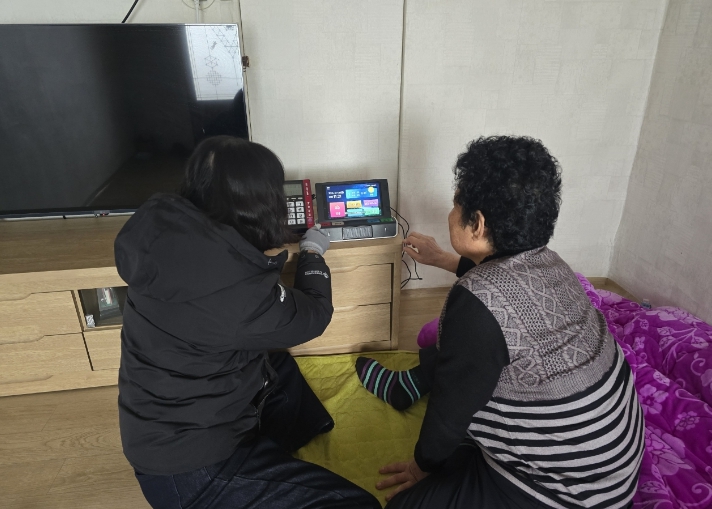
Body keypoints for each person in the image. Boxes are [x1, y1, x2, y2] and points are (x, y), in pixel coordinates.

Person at [356, 136, 644, 509]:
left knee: (403, 504)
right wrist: (441, 258)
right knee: (466, 348)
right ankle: (407, 387)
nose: (451, 212)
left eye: (456, 203)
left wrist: (421, 466)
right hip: (609, 459)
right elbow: (500, 287)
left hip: (571, 494)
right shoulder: (550, 262)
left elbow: (448, 414)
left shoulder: (475, 303)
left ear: (477, 224)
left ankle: (412, 393)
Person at [115, 135, 380, 509]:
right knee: (357, 504)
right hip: (191, 471)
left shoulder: (162, 240)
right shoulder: (238, 290)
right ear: (262, 204)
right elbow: (313, 315)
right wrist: (312, 253)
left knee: (277, 367)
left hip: (156, 432)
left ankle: (280, 455)